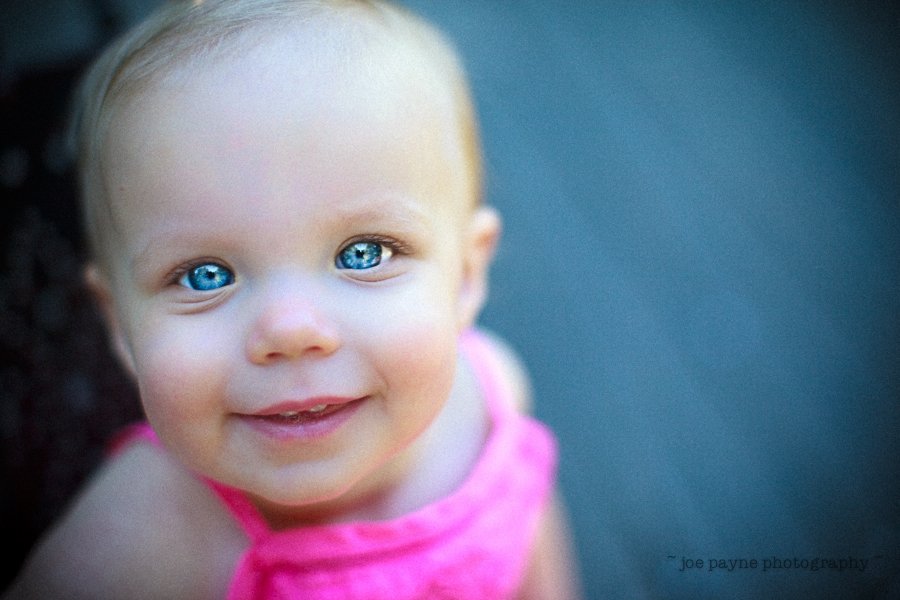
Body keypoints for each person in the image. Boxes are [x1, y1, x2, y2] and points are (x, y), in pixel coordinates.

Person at [4, 0, 581, 597]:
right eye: (205, 275)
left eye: (364, 253)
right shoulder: (135, 544)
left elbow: (525, 539)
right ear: (120, 322)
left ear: (464, 275)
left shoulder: (489, 397)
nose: (290, 329)